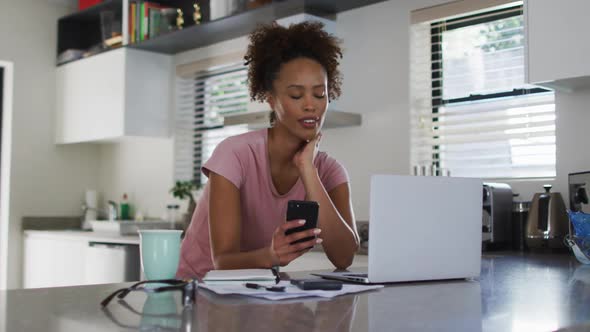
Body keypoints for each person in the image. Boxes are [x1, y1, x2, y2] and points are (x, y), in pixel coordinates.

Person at [176, 21, 359, 278]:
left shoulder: (330, 170)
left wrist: (308, 170)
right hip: (196, 290)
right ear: (271, 99)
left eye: (319, 94)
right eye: (296, 96)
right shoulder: (235, 155)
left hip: (257, 292)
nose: (311, 106)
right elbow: (222, 261)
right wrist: (271, 256)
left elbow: (344, 257)